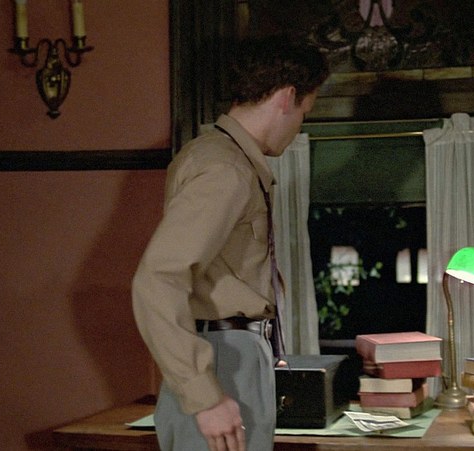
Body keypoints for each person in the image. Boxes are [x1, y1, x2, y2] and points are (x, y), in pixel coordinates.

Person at [132, 35, 329, 451]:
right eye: (305, 112)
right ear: (287, 97)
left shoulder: (222, 157)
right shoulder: (225, 168)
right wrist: (204, 396)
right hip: (223, 359)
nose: (300, 126)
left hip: (232, 355)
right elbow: (157, 279)